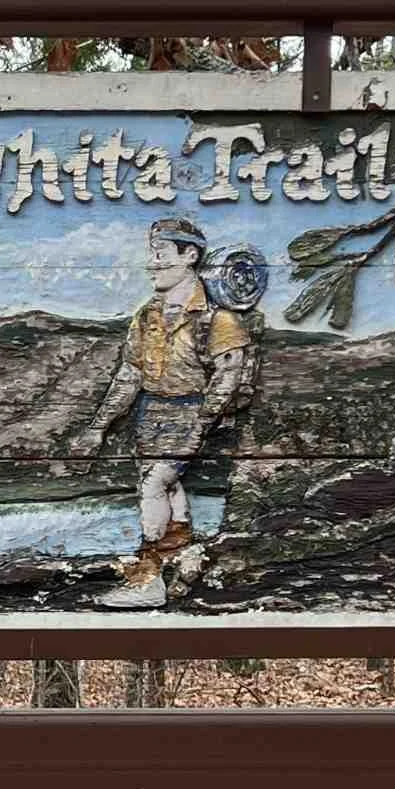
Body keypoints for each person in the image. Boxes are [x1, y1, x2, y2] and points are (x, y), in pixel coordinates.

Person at [92, 216, 253, 609]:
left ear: (190, 256)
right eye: (152, 255)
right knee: (170, 489)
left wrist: (203, 422)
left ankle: (148, 578)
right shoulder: (147, 316)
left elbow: (228, 373)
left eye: (161, 255)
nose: (153, 264)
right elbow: (131, 373)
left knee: (152, 484)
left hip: (188, 412)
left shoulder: (218, 318)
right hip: (151, 414)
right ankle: (183, 558)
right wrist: (99, 425)